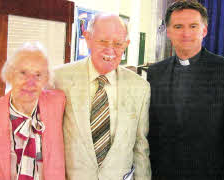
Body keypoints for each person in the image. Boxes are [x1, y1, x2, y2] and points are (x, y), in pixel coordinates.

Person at [147, 1, 224, 180]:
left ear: (204, 30)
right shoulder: (155, 72)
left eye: (193, 26)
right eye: (178, 26)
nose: (186, 33)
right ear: (169, 32)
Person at [54, 13, 151, 180]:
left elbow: (140, 148)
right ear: (87, 38)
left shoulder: (140, 87)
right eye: (103, 41)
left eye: (118, 44)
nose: (110, 50)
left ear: (126, 44)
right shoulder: (59, 78)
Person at [0, 42, 66, 180]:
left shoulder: (57, 103)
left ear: (46, 79)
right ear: (10, 74)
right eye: (23, 73)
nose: (30, 82)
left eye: (38, 75)